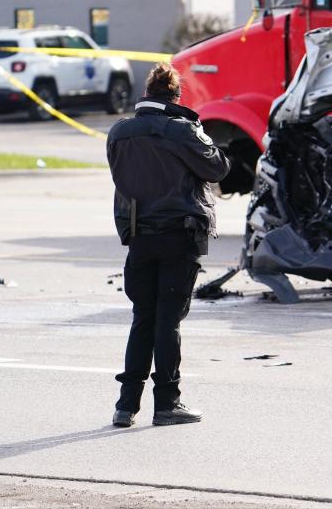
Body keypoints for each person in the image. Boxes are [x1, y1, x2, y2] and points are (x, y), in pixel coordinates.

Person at [106, 62, 229, 427]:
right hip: (180, 234)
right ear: (176, 96)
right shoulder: (182, 131)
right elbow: (218, 168)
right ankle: (167, 404)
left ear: (146, 94)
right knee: (168, 321)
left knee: (143, 317)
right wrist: (200, 134)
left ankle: (126, 406)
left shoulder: (119, 133)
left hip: (139, 235)